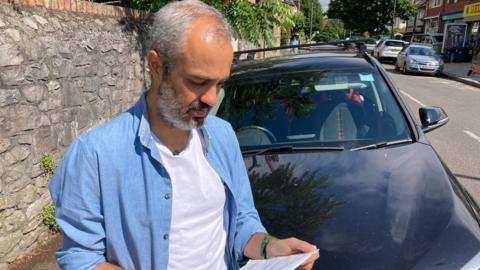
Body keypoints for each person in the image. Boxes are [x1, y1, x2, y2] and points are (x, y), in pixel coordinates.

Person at [48, 0, 320, 269]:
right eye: (198, 82)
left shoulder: (223, 136)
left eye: (220, 83)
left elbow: (241, 221)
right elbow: (82, 258)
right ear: (156, 66)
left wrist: (271, 247)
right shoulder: (95, 155)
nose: (212, 99)